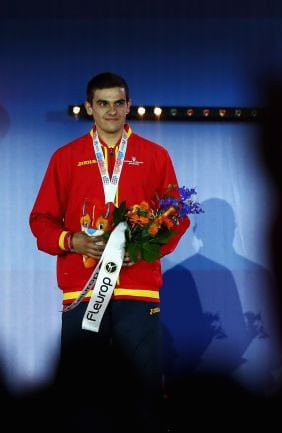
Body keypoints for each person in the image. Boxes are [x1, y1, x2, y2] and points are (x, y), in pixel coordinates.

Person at [29, 72, 189, 433]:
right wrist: (73, 241)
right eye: (103, 103)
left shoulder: (154, 155)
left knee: (145, 388)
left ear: (129, 105)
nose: (111, 111)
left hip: (137, 287)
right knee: (81, 392)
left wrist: (146, 252)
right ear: (89, 107)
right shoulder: (66, 157)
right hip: (84, 289)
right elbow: (41, 220)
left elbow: (176, 217)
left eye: (119, 103)